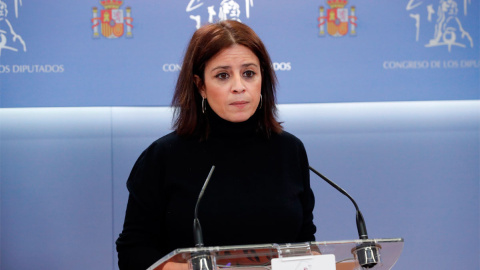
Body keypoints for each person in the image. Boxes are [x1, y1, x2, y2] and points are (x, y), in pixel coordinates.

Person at [116, 20, 316, 270]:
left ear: (262, 79)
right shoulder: (164, 156)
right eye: (223, 75)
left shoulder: (290, 150)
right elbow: (134, 252)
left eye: (249, 73)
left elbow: (304, 242)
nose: (239, 87)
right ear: (200, 85)